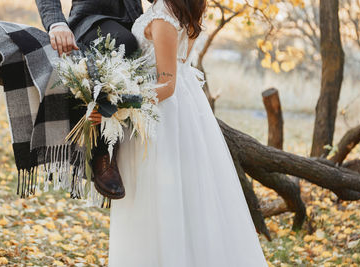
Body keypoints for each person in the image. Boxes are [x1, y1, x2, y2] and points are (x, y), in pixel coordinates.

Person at [90, 0, 269, 265]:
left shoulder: (163, 17)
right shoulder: (179, 12)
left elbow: (167, 84)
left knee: (157, 201)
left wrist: (117, 103)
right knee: (181, 199)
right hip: (182, 112)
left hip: (161, 117)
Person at [35, 0, 151, 200]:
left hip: (136, 22)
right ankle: (102, 152)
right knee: (123, 42)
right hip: (91, 22)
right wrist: (57, 23)